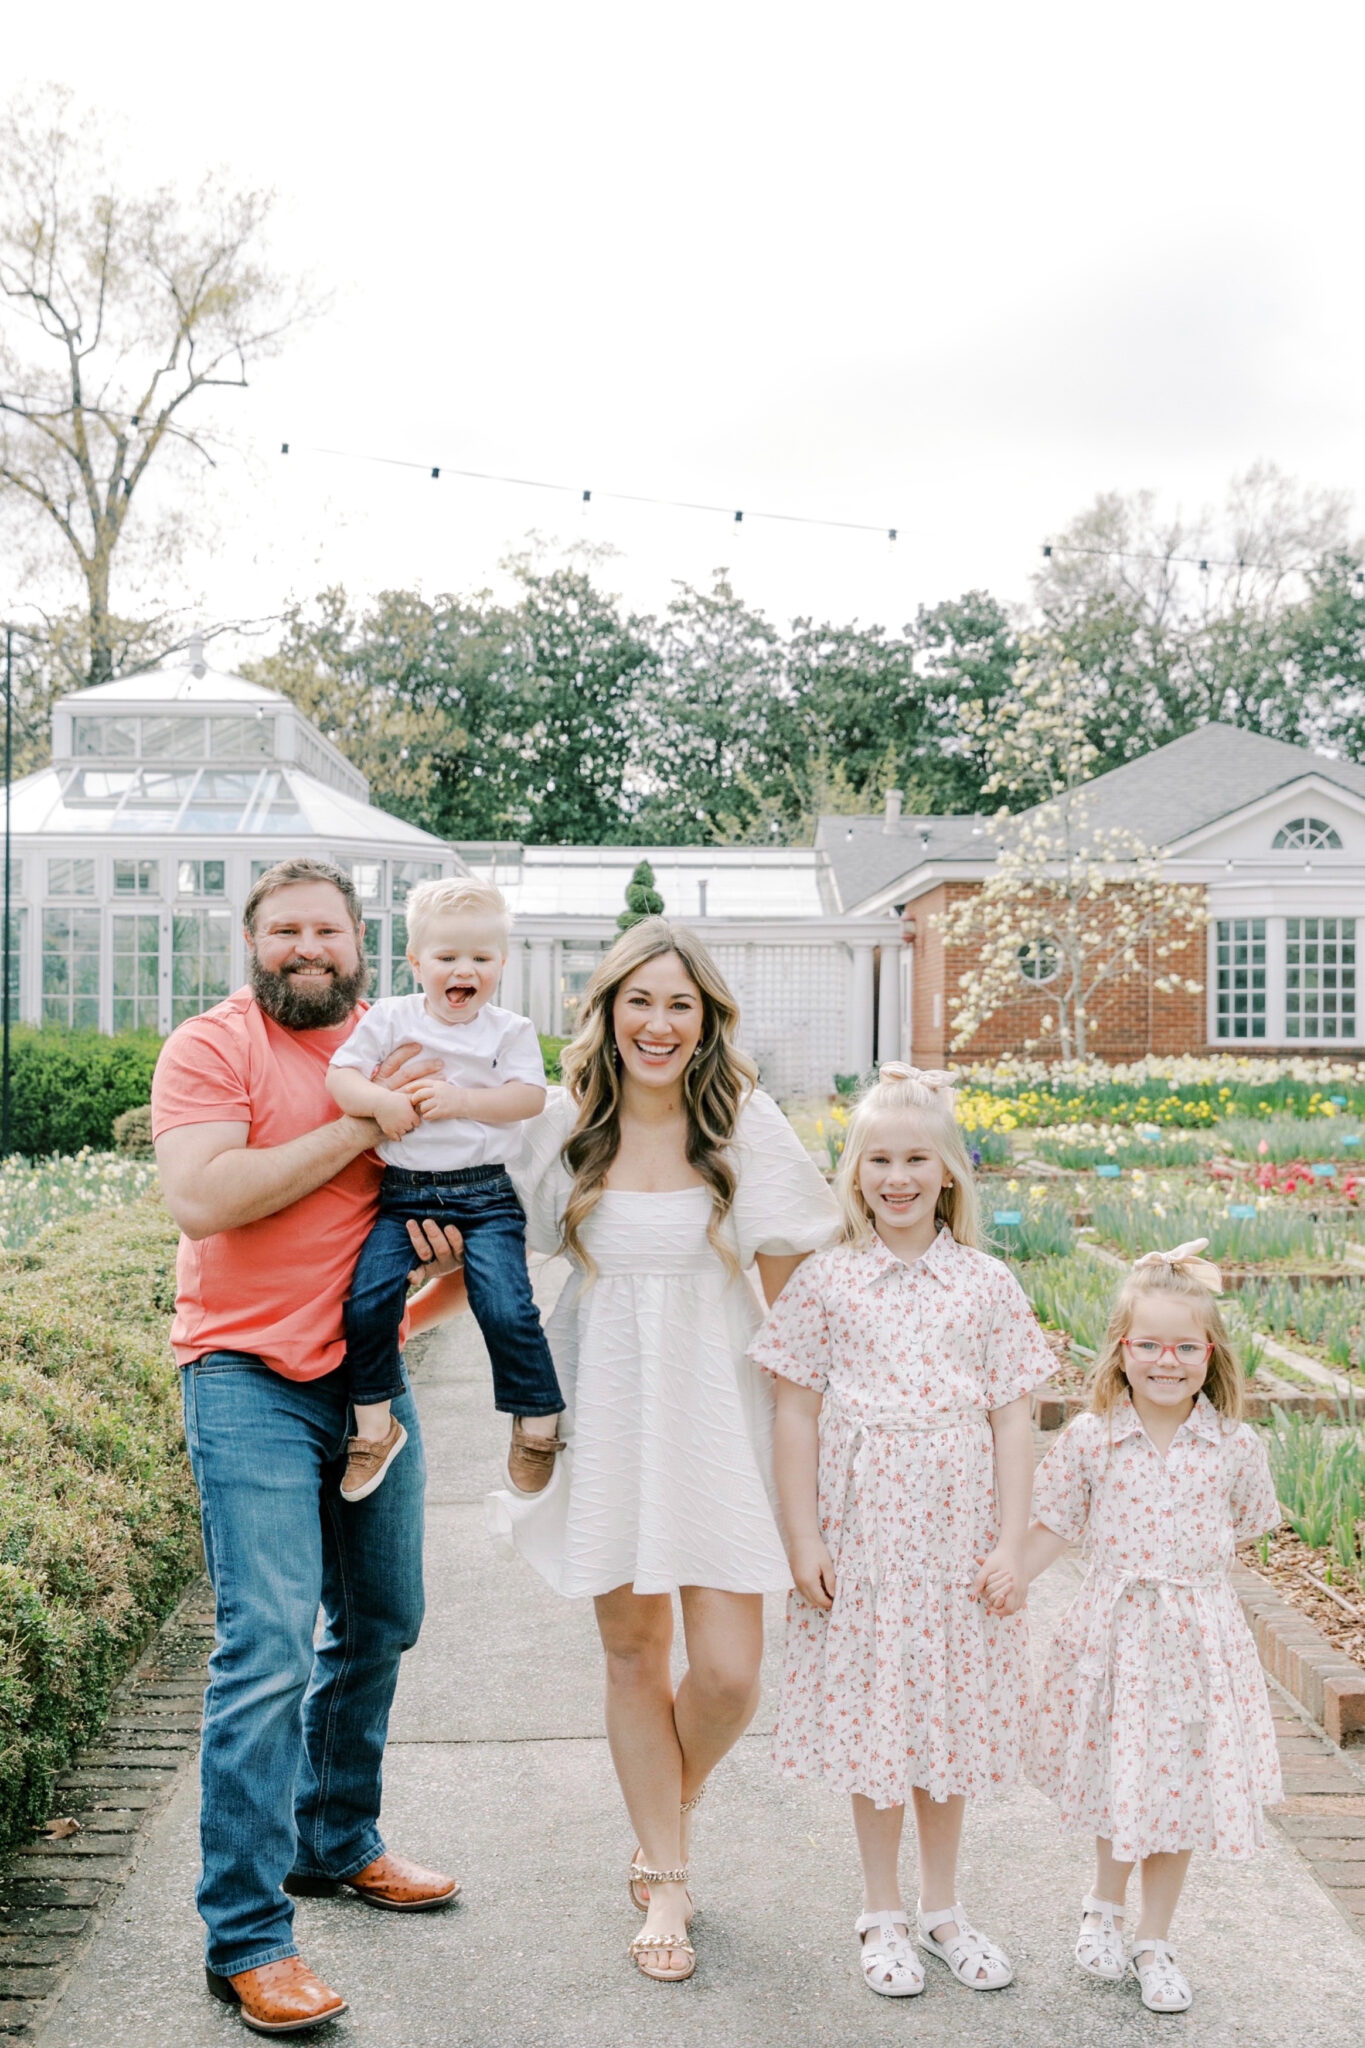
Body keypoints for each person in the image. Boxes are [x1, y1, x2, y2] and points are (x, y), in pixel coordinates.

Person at [479, 917, 839, 1982]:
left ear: (706, 1019)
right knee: (634, 1652)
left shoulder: (746, 1127)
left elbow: (797, 1317)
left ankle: (666, 1796)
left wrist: (813, 1466)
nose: (660, 1021)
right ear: (608, 1012)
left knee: (729, 1673)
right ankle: (667, 1880)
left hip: (721, 1424)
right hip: (608, 1416)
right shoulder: (558, 1128)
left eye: (681, 1003)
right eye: (641, 999)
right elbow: (488, 1244)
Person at [152, 856, 466, 2038]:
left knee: (383, 1616)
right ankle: (246, 1936)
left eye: (324, 927)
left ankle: (336, 1838)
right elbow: (207, 1195)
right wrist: (360, 1122)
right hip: (243, 1377)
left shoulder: (400, 1049)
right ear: (252, 944)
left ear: (359, 944)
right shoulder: (214, 1048)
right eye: (281, 928)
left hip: (367, 1381)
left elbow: (432, 1231)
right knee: (270, 1642)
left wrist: (431, 1281)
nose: (304, 945)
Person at [753, 1063, 1056, 2001]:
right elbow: (794, 1415)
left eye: (915, 1158)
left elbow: (1014, 1415)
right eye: (877, 1159)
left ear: (949, 1172)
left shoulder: (985, 1283)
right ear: (852, 1173)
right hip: (865, 1538)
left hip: (956, 1539)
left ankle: (941, 1908)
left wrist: (1010, 1542)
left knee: (947, 1720)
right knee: (877, 1716)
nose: (897, 1176)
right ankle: (878, 1908)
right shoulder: (825, 1284)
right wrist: (803, 1539)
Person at [987, 1238, 1282, 2016]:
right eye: (1148, 1345)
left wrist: (1195, 1603)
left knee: (1177, 1790)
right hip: (1112, 1640)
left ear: (1208, 1354)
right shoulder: (1092, 1438)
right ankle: (1101, 1906)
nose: (1166, 1361)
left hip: (1194, 1644)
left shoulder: (1232, 1446)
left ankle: (1154, 1938)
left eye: (1184, 1346)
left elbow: (1247, 1531)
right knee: (1121, 1780)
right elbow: (1054, 1526)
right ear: (1121, 1352)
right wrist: (1012, 1570)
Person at [325, 876, 564, 1503]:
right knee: (368, 1301)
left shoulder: (508, 1030)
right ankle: (375, 1427)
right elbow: (341, 1074)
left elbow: (528, 1097)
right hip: (403, 1196)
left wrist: (461, 1101)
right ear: (416, 962)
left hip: (485, 1198)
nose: (466, 970)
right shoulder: (389, 1017)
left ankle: (537, 1419)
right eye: (448, 957)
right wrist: (380, 1101)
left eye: (482, 959)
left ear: (501, 965)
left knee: (507, 1307)